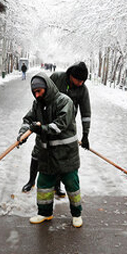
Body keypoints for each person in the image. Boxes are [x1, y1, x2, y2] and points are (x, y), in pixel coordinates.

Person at [17, 73, 83, 227]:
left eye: (40, 91)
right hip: (46, 154)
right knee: (44, 185)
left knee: (72, 186)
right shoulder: (37, 104)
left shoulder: (64, 101)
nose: (37, 95)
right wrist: (23, 134)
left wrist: (41, 129)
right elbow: (28, 120)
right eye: (35, 92)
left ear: (47, 87)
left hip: (65, 154)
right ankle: (44, 213)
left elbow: (59, 125)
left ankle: (76, 214)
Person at [21, 62, 91, 197]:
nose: (81, 83)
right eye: (79, 80)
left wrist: (86, 135)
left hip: (64, 124)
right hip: (45, 123)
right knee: (38, 152)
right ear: (71, 75)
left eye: (83, 81)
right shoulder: (57, 78)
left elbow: (86, 112)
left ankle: (57, 185)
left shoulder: (82, 89)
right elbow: (42, 92)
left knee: (59, 155)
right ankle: (31, 181)